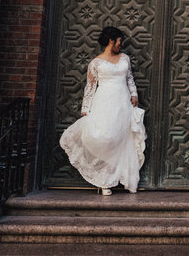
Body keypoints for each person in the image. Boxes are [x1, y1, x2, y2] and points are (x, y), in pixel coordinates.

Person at [60, 26, 146, 195]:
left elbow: (129, 78)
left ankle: (120, 177)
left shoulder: (125, 58)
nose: (121, 44)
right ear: (111, 41)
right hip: (104, 102)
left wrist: (134, 94)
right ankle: (103, 181)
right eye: (119, 41)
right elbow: (90, 87)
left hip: (123, 103)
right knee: (106, 137)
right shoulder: (96, 63)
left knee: (121, 138)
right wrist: (86, 109)